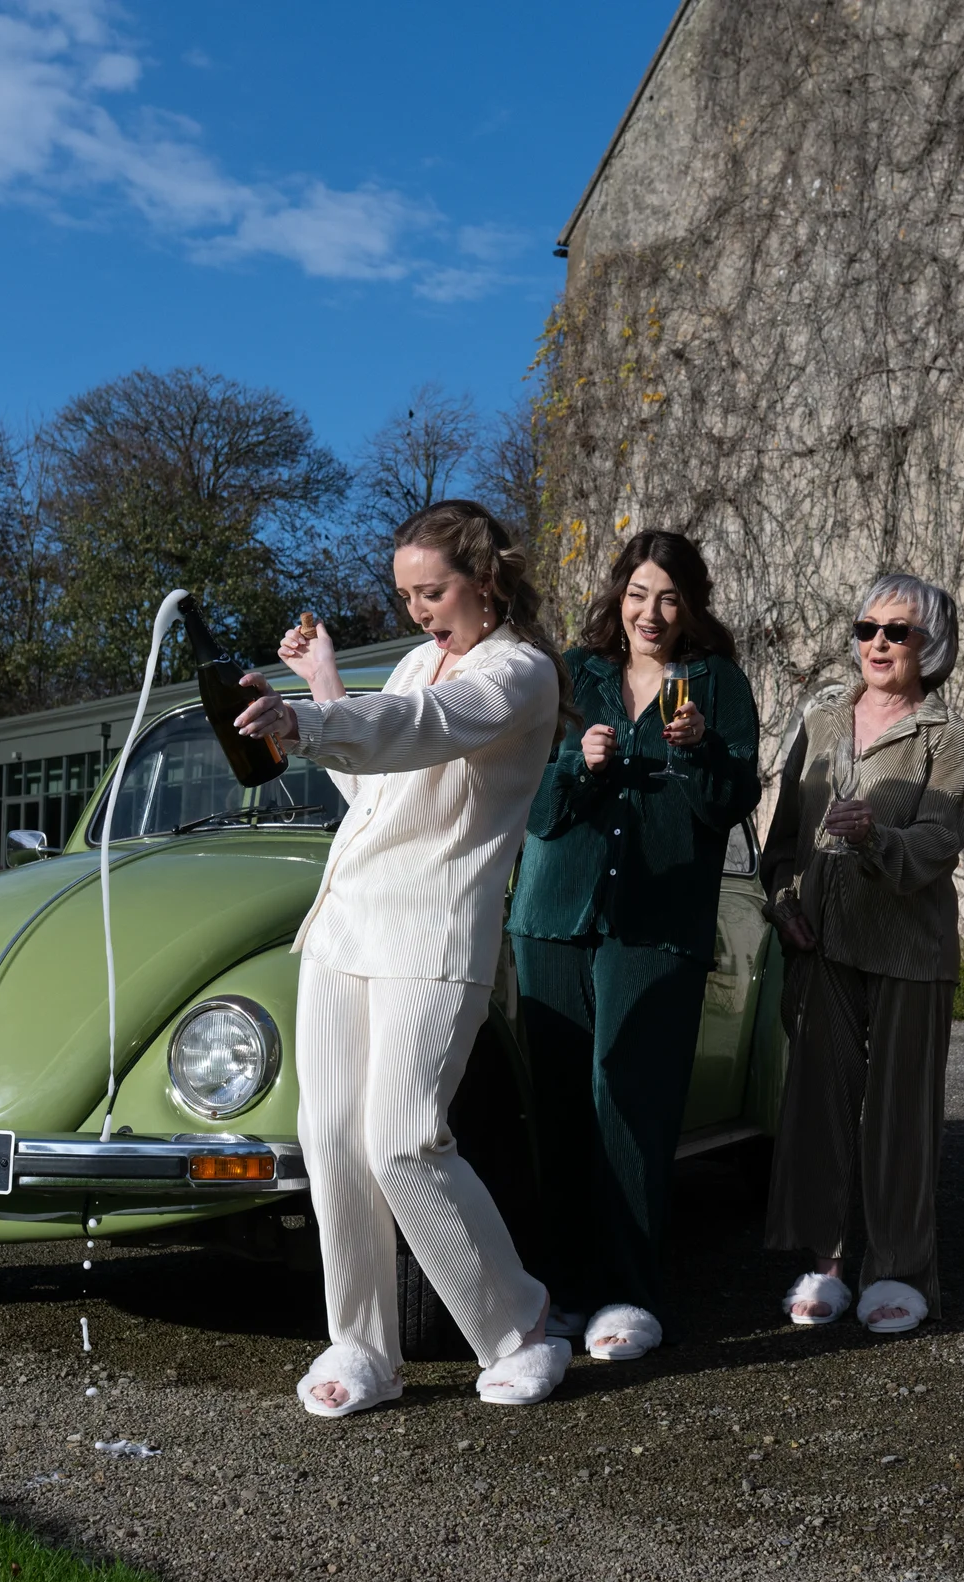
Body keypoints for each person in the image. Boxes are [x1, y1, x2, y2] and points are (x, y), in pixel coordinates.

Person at [236, 500, 572, 1414]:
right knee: (332, 1140)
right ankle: (362, 1346)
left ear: (487, 578)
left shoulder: (522, 675)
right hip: (344, 924)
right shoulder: (422, 661)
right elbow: (372, 776)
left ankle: (519, 1323)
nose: (418, 611)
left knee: (401, 1139)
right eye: (406, 594)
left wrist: (308, 717)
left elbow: (426, 725)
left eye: (432, 591)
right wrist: (324, 680)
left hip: (435, 932)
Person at [507, 531, 761, 1362]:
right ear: (618, 598)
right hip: (553, 917)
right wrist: (576, 765)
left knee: (631, 1102)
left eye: (670, 598)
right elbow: (535, 808)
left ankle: (629, 1291)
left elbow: (729, 805)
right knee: (556, 1107)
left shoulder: (717, 682)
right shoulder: (573, 676)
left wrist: (695, 754)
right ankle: (562, 1290)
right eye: (638, 594)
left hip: (656, 925)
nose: (651, 613)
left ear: (692, 606)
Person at [760, 575, 964, 1336]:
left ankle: (900, 1269)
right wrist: (784, 904)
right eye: (867, 628)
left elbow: (940, 841)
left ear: (931, 646)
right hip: (820, 942)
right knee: (817, 1106)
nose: (878, 644)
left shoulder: (945, 739)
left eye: (898, 632)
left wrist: (875, 839)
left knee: (900, 1116)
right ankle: (827, 1262)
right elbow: (784, 833)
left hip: (908, 947)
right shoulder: (822, 719)